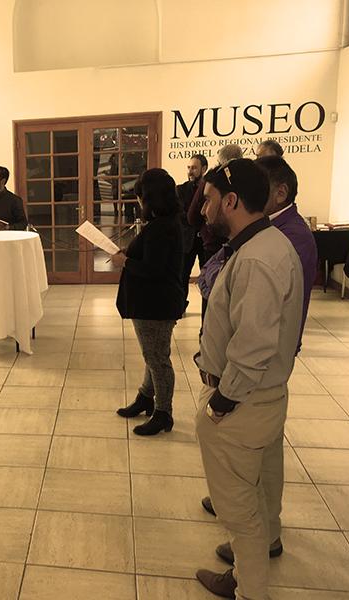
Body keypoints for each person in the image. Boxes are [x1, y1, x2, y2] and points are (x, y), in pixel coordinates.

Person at [198, 156, 318, 564]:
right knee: (258, 483)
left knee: (239, 508)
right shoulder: (262, 244)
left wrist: (222, 402)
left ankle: (248, 587)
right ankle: (254, 563)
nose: (203, 208)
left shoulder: (259, 256)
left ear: (231, 201)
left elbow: (254, 342)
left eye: (209, 199)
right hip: (260, 391)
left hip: (247, 397)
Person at [112, 169, 184, 436]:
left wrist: (126, 261)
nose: (139, 202)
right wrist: (129, 253)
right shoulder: (164, 223)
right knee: (151, 354)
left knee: (157, 359)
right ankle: (145, 398)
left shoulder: (163, 228)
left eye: (141, 197)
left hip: (156, 304)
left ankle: (163, 412)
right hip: (152, 302)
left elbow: (154, 269)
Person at [187, 144, 243, 320]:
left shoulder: (212, 180)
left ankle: (207, 334)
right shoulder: (247, 181)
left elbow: (193, 215)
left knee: (211, 289)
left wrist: (205, 229)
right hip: (237, 241)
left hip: (214, 243)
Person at [177, 154, 208, 309]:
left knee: (208, 276)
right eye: (189, 167)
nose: (190, 171)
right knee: (182, 275)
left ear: (204, 169)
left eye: (194, 168)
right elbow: (181, 215)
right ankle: (180, 307)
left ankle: (207, 309)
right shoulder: (180, 190)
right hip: (187, 239)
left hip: (205, 240)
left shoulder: (211, 190)